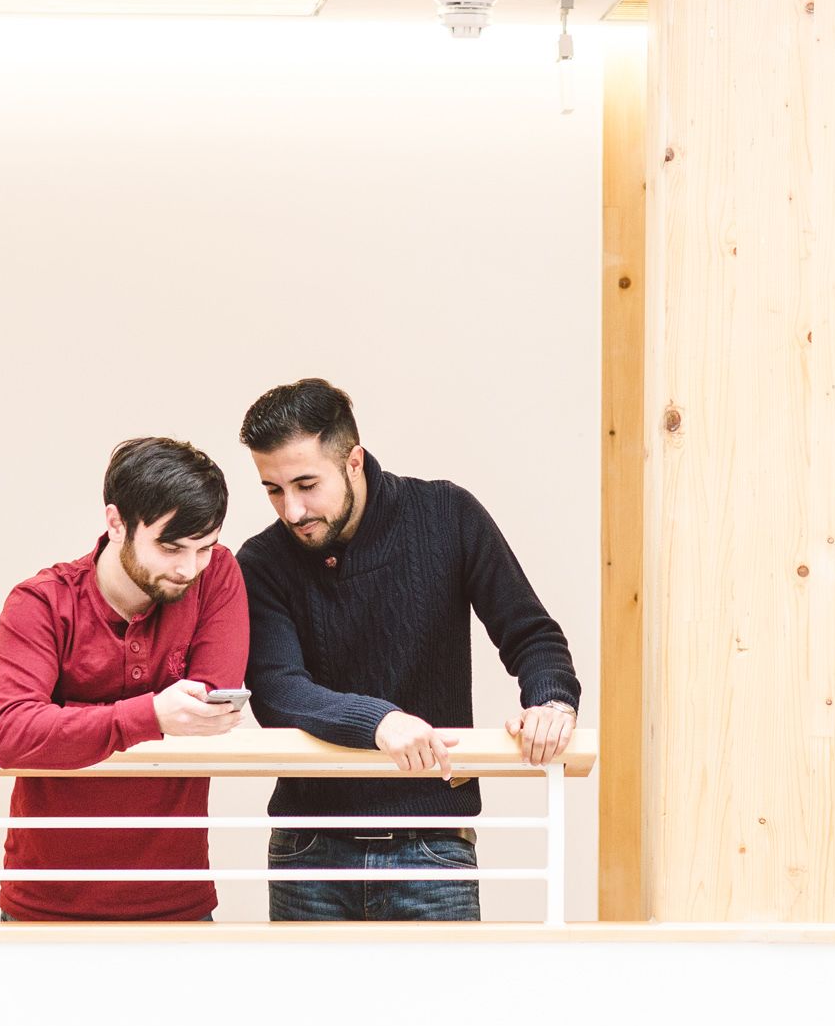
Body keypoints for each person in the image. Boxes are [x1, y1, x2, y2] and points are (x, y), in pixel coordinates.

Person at [237, 378, 581, 922]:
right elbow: (279, 691)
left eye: (306, 484)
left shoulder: (448, 514)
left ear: (353, 460)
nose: (293, 510)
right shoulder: (259, 562)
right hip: (309, 850)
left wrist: (551, 703)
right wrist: (380, 721)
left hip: (431, 844)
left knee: (447, 1008)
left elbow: (530, 633)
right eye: (274, 490)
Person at [0, 437, 249, 922]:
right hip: (46, 900)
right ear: (116, 522)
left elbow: (206, 707)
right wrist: (151, 715)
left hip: (176, 897)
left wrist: (70, 723)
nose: (188, 568)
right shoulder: (41, 603)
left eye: (204, 548)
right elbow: (11, 732)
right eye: (170, 547)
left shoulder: (217, 575)